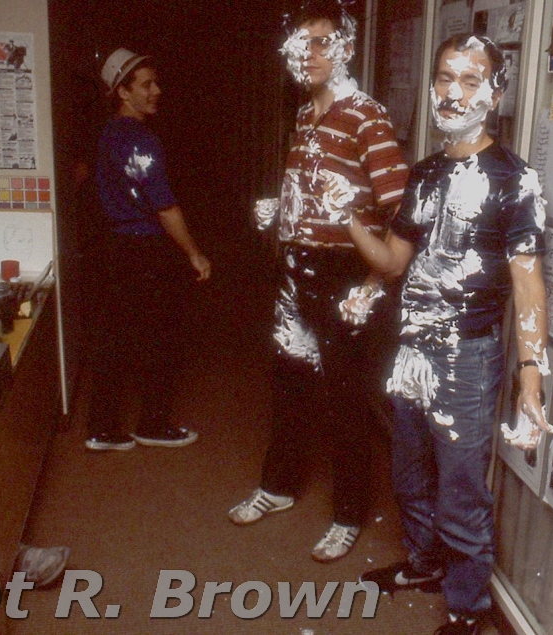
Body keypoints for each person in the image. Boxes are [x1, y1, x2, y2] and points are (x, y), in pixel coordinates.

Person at [349, 34, 553, 634]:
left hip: (468, 354)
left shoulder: (516, 179)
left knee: (461, 486)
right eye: (445, 77)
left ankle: (468, 609)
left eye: (470, 80)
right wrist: (348, 220)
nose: (453, 91)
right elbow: (393, 263)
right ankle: (426, 561)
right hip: (413, 344)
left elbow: (529, 284)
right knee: (409, 469)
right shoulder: (425, 173)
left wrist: (531, 375)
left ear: (494, 92)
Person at [228, 0, 409, 563]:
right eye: (301, 44)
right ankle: (279, 488)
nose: (309, 54)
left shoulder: (366, 116)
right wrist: (281, 209)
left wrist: (371, 272)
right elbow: (319, 191)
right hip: (297, 268)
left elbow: (401, 209)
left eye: (322, 42)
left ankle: (350, 514)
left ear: (346, 48)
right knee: (288, 379)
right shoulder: (306, 114)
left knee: (347, 399)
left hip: (346, 276)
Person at [84, 48, 211, 452]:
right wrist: (194, 253)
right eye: (146, 85)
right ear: (123, 92)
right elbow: (164, 205)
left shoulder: (109, 133)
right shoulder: (139, 140)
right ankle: (152, 424)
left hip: (117, 246)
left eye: (155, 82)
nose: (157, 91)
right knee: (162, 336)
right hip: (143, 249)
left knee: (116, 336)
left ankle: (101, 429)